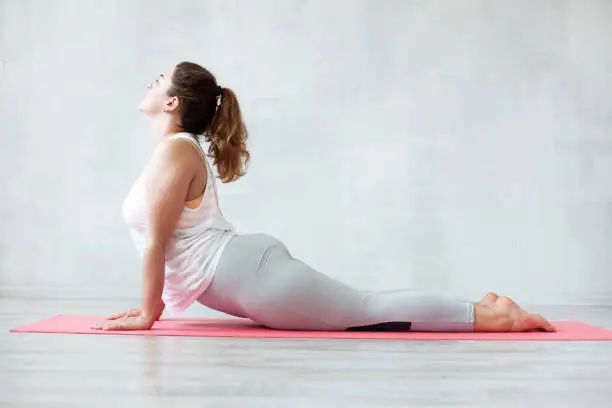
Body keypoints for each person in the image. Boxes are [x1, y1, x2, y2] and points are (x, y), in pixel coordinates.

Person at [92, 61, 555, 333]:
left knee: (367, 313)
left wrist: (148, 315)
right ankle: (485, 307)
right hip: (246, 270)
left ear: (172, 103)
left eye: (158, 79)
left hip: (252, 278)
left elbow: (156, 242)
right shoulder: (173, 152)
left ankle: (501, 318)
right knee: (364, 304)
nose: (150, 84)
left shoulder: (174, 154)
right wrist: (149, 309)